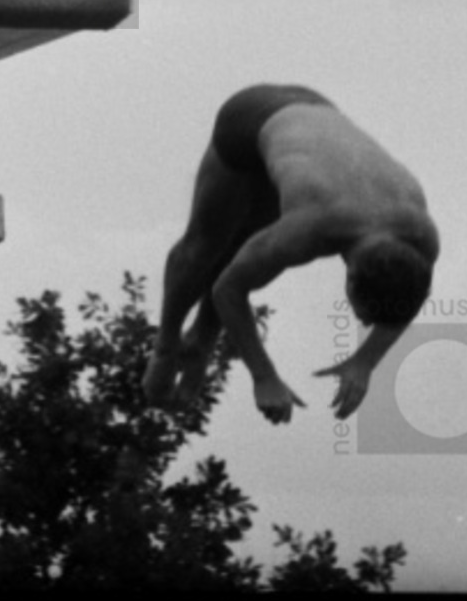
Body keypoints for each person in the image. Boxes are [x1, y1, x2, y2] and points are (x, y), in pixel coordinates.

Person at [143, 83, 439, 425]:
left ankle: (200, 340)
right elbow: (229, 288)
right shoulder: (311, 226)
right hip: (251, 116)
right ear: (351, 277)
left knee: (249, 251)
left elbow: (413, 297)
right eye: (364, 314)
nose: (365, 324)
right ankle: (166, 345)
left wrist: (365, 362)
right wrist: (264, 376)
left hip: (315, 118)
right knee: (206, 244)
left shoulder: (422, 236)